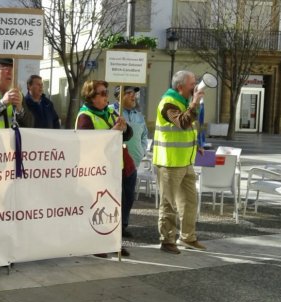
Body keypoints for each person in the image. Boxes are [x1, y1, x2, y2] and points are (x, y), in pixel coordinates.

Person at [75, 80, 133, 257]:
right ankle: (96, 244)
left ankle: (113, 242)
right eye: (101, 93)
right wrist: (114, 131)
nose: (106, 97)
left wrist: (124, 127)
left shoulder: (109, 111)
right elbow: (89, 144)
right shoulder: (85, 116)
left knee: (115, 208)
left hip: (115, 168)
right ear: (91, 96)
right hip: (96, 170)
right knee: (97, 208)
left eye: (106, 93)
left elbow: (128, 135)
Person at [154, 70, 206, 254]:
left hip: (185, 161)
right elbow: (182, 123)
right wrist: (195, 103)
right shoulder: (168, 102)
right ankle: (167, 241)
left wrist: (196, 146)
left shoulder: (183, 102)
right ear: (180, 87)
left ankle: (187, 237)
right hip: (169, 162)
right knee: (169, 203)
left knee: (190, 201)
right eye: (193, 84)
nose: (196, 86)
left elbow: (188, 129)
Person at [110, 86, 149, 238]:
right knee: (116, 196)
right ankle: (113, 227)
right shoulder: (112, 112)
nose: (134, 96)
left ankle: (123, 225)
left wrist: (143, 150)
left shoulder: (138, 115)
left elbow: (144, 135)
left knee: (128, 195)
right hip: (116, 162)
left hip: (133, 164)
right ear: (119, 95)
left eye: (135, 93)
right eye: (129, 93)